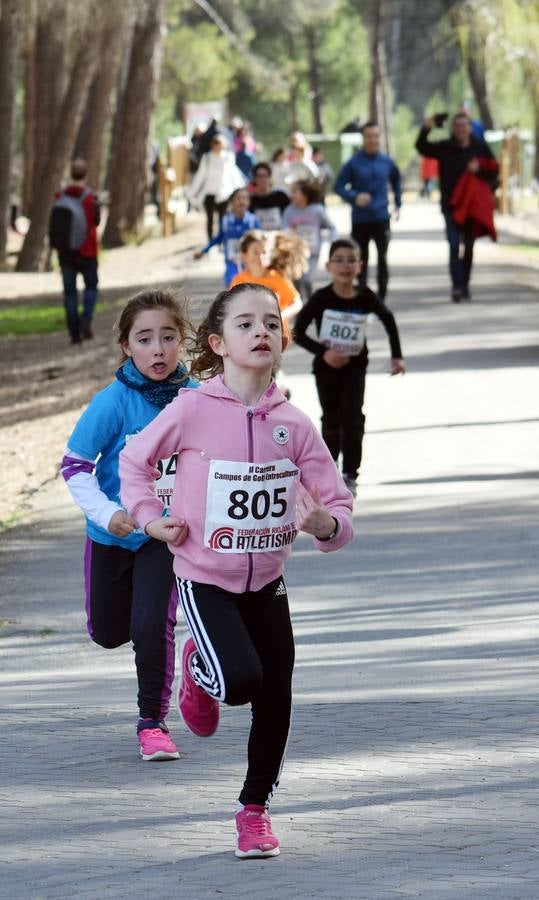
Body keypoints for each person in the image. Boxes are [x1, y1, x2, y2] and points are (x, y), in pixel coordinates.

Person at [119, 281, 354, 859]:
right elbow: (134, 461)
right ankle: (201, 669)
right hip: (204, 580)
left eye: (272, 323)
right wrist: (151, 519)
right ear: (219, 343)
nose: (262, 332)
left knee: (277, 697)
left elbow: (339, 505)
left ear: (284, 338)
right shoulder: (193, 408)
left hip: (268, 584)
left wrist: (325, 524)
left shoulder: (294, 424)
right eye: (247, 324)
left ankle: (254, 811)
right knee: (243, 682)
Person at [60, 290, 198, 762]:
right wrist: (107, 513)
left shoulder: (198, 399)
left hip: (169, 534)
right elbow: (75, 465)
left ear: (182, 342)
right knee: (109, 631)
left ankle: (152, 723)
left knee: (150, 624)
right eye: (145, 339)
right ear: (126, 346)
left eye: (167, 337)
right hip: (114, 533)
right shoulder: (114, 402)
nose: (157, 349)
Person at [294, 238, 405, 497]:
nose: (345, 266)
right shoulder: (322, 298)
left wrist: (396, 357)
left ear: (360, 266)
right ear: (328, 266)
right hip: (326, 369)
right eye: (339, 260)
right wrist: (325, 352)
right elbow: (297, 331)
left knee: (354, 418)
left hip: (355, 368)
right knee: (331, 419)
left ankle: (350, 474)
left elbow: (388, 318)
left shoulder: (365, 296)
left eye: (351, 260)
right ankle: (329, 470)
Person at [415, 111, 498, 302]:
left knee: (468, 247)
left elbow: (494, 170)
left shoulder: (479, 148)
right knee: (453, 245)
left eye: (464, 125)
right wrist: (427, 127)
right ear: (454, 128)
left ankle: (465, 284)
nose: (461, 129)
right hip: (450, 205)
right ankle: (457, 287)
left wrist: (480, 170)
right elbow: (422, 147)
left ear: (469, 128)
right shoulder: (446, 148)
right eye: (457, 126)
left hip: (471, 207)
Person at [335, 122, 401, 303]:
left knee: (382, 257)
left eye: (375, 136)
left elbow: (396, 180)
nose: (372, 140)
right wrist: (354, 196)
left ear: (379, 138)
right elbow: (338, 186)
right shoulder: (353, 162)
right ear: (363, 138)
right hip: (360, 219)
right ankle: (362, 294)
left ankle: (381, 296)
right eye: (368, 136)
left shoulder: (386, 161)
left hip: (381, 217)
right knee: (360, 259)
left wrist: (398, 203)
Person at [52, 158, 100, 345]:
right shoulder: (90, 198)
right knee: (91, 287)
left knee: (70, 292)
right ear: (85, 175)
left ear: (71, 174)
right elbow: (96, 222)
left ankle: (74, 333)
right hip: (87, 250)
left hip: (65, 253)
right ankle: (86, 320)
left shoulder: (60, 197)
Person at [229, 231, 304, 339]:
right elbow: (231, 309)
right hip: (250, 337)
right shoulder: (239, 280)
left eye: (264, 252)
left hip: (275, 336)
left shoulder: (276, 277)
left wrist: (282, 315)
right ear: (244, 256)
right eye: (256, 252)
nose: (260, 256)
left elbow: (297, 303)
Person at [282, 180, 337, 300]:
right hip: (295, 254)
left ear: (305, 194)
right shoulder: (289, 211)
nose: (292, 195)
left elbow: (331, 227)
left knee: (307, 280)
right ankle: (300, 310)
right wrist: (291, 231)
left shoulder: (317, 210)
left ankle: (312, 302)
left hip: (312, 253)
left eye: (295, 191)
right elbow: (284, 230)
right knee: (295, 283)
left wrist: (332, 241)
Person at [193, 188, 260, 286]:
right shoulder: (225, 221)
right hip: (231, 264)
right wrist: (203, 251)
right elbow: (218, 238)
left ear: (249, 202)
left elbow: (261, 242)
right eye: (238, 198)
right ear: (231, 202)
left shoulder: (253, 221)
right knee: (233, 290)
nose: (242, 202)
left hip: (249, 265)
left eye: (245, 198)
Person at [187, 134, 246, 241]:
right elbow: (200, 175)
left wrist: (240, 187)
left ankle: (221, 239)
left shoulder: (227, 157)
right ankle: (210, 239)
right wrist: (193, 191)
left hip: (224, 192)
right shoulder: (207, 158)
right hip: (210, 192)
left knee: (222, 218)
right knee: (210, 217)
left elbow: (233, 173)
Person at [249, 163, 290, 231]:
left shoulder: (281, 197)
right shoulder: (250, 200)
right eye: (259, 176)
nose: (263, 179)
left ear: (270, 177)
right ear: (254, 179)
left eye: (265, 176)